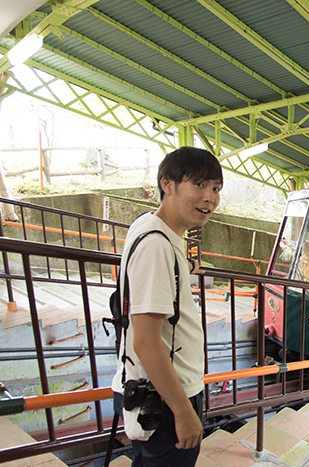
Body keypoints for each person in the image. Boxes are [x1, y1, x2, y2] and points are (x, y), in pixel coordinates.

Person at [111, 146, 223, 466]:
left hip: (154, 392)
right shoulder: (157, 245)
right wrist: (184, 412)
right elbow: (146, 341)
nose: (210, 198)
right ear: (168, 185)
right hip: (164, 398)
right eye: (199, 185)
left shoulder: (153, 228)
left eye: (215, 188)